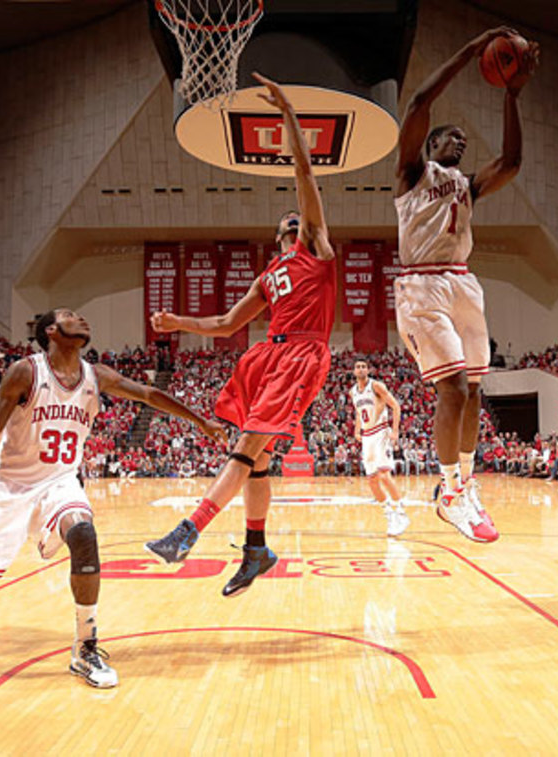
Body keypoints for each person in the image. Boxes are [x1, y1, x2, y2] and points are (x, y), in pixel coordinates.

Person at [0, 308, 224, 686]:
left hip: (59, 482)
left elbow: (149, 394)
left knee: (84, 533)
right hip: (9, 487)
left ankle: (85, 647)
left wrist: (200, 420)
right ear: (51, 330)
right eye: (71, 315)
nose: (83, 319)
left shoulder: (95, 375)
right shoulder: (25, 372)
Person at [144, 74, 336, 597]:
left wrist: (290, 117)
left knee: (247, 445)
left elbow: (304, 176)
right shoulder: (269, 273)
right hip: (264, 357)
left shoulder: (317, 251)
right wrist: (182, 323)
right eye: (290, 225)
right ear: (278, 238)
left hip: (300, 354)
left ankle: (189, 531)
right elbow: (228, 324)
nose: (299, 225)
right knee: (259, 458)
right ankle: (256, 550)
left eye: (303, 222)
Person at [392, 27, 539, 543]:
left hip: (462, 284)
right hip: (421, 286)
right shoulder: (412, 174)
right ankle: (449, 490)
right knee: (452, 388)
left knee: (475, 389)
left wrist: (512, 96)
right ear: (432, 145)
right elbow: (419, 100)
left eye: (463, 140)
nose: (460, 141)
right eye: (452, 136)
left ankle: (466, 484)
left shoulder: (469, 186)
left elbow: (513, 163)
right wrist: (469, 52)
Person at [350, 359, 407, 536]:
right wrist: (357, 430)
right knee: (372, 479)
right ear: (353, 371)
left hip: (381, 431)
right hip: (367, 437)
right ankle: (389, 514)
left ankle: (400, 511)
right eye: (358, 367)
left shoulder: (376, 386)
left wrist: (395, 431)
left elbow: (395, 406)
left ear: (368, 370)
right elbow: (360, 413)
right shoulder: (353, 392)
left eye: (363, 366)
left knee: (383, 474)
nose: (361, 369)